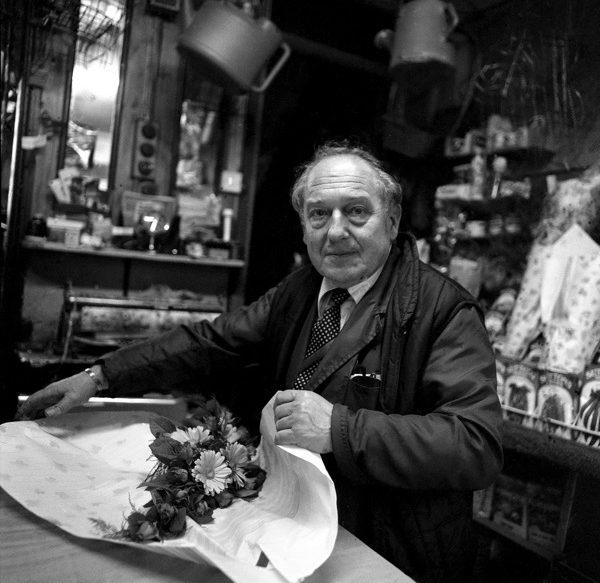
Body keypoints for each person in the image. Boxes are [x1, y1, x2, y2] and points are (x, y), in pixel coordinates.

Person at [19, 141, 503, 583]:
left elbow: (475, 446)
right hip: (298, 531)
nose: (336, 231)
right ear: (303, 226)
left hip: (391, 552)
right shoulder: (301, 289)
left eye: (357, 212)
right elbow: (209, 342)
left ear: (393, 222)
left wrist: (339, 428)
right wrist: (100, 375)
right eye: (319, 214)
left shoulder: (442, 310)